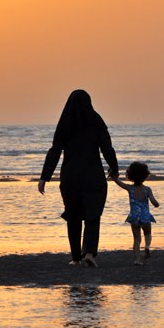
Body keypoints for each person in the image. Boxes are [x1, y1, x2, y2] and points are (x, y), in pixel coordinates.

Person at [39, 89, 119, 267]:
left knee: (73, 217)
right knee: (93, 215)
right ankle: (89, 253)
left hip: (71, 178)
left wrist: (45, 177)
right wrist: (114, 168)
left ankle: (76, 258)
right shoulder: (96, 121)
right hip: (93, 177)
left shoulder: (65, 123)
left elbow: (55, 151)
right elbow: (107, 148)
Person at [110, 161, 160, 265]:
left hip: (135, 217)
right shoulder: (147, 189)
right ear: (145, 175)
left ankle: (137, 259)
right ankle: (147, 247)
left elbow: (119, 183)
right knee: (148, 233)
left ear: (130, 175)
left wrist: (114, 177)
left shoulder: (130, 188)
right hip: (146, 217)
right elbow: (153, 201)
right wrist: (156, 204)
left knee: (137, 239)